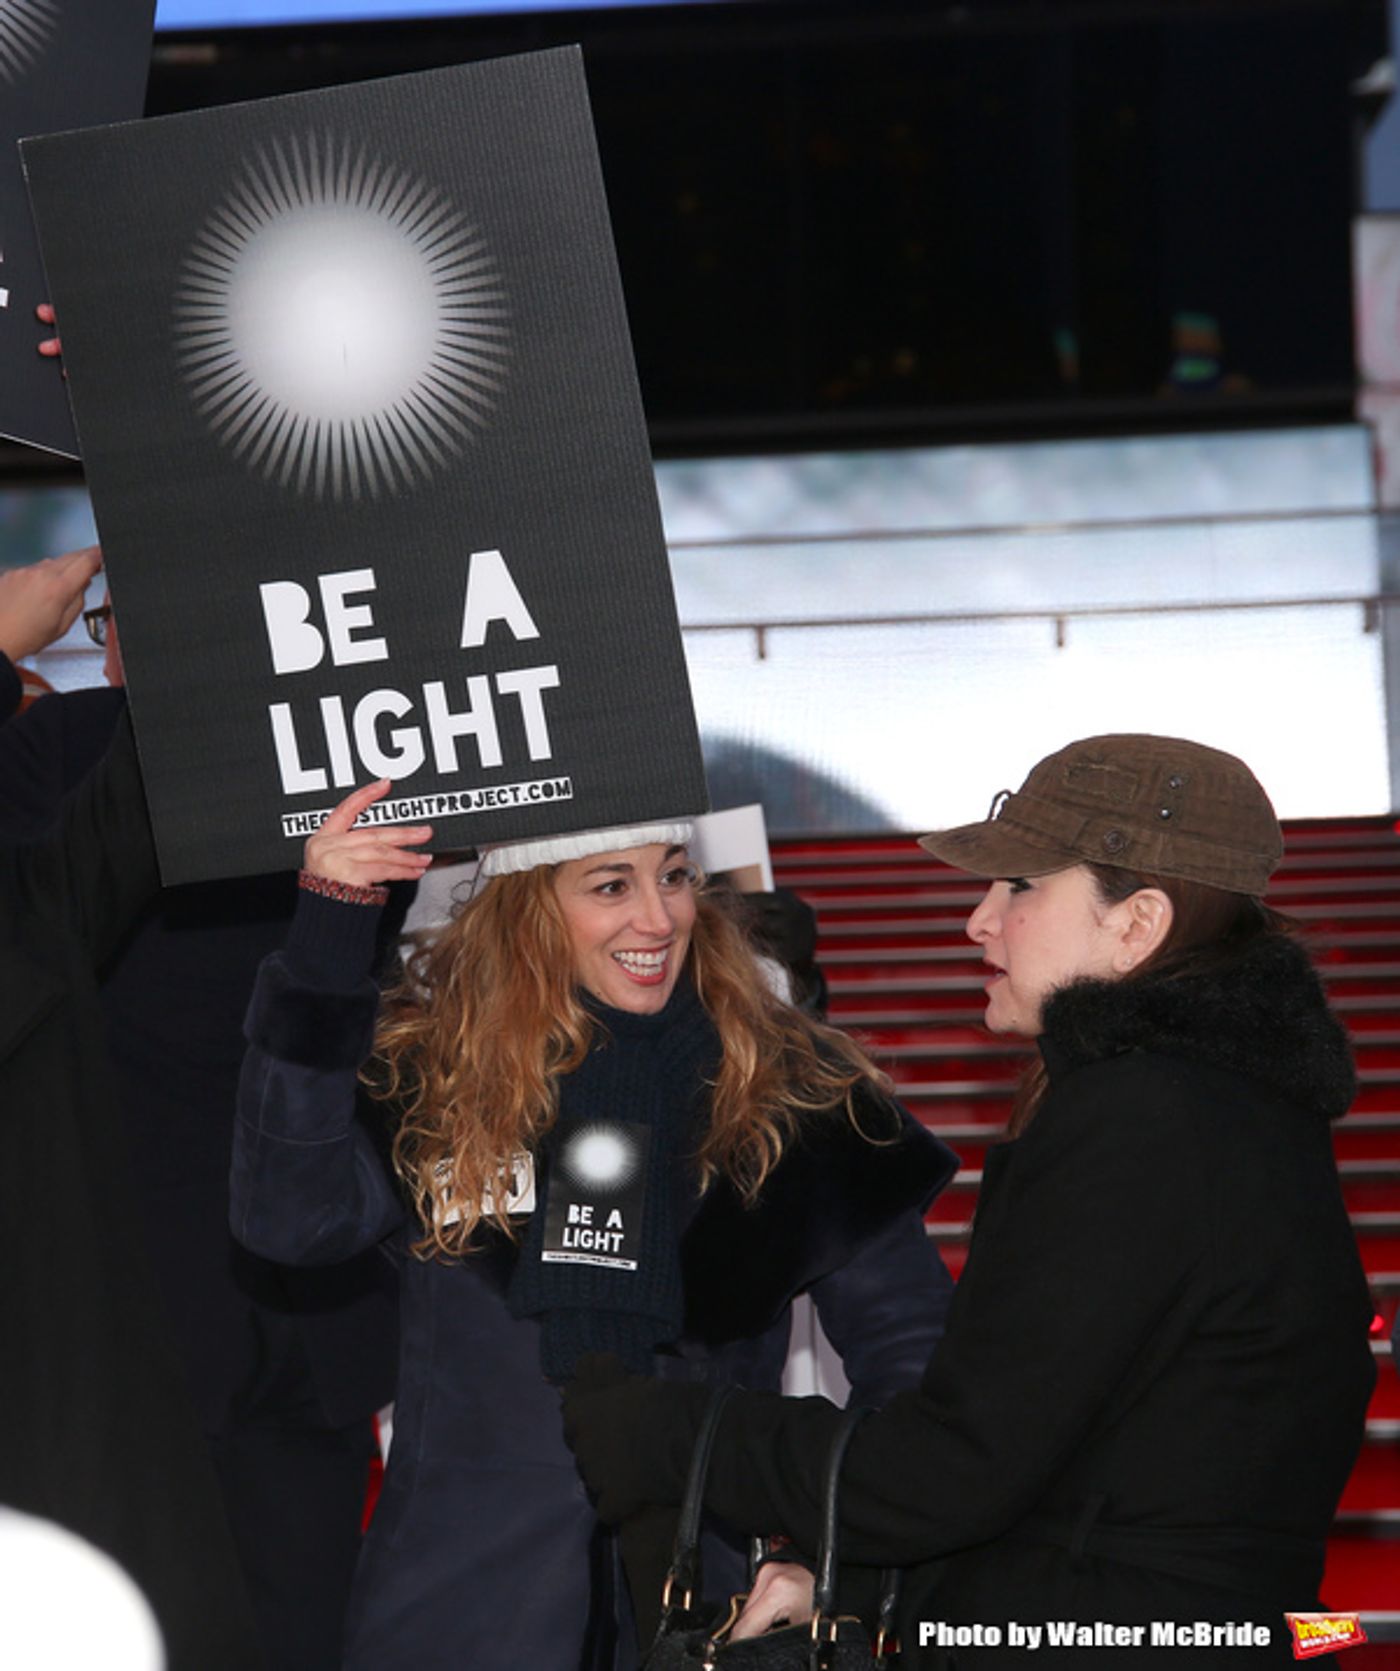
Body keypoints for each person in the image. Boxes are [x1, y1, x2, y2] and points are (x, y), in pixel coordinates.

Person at [563, 734, 1377, 1667]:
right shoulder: (1226, 1102)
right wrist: (855, 1573)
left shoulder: (1144, 1113)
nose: (978, 921)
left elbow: (956, 1470)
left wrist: (671, 1430)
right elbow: (1071, 1459)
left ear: (1138, 922)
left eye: (1021, 886)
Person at [230, 780, 957, 1671]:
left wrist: (827, 1546)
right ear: (527, 908)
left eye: (676, 876)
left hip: (708, 1618)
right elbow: (288, 1221)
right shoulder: (434, 1077)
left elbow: (919, 1360)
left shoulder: (789, 1090)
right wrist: (326, 945)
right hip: (458, 1617)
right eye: (611, 885)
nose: (658, 919)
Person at [0, 596, 398, 1671]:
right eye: (109, 609)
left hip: (241, 1298)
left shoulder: (309, 747)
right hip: (213, 1289)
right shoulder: (69, 745)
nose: (119, 631)